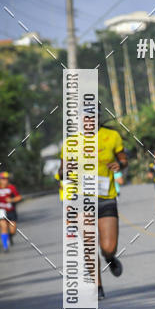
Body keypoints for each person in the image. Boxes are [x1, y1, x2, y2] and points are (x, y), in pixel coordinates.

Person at [59, 106, 128, 298]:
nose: (89, 121)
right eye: (85, 117)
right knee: (89, 243)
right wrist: (66, 170)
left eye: (93, 117)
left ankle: (110, 258)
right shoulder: (71, 142)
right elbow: (60, 173)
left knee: (108, 246)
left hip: (106, 197)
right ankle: (98, 286)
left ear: (98, 118)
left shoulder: (111, 136)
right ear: (80, 119)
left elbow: (123, 159)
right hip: (82, 200)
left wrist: (119, 164)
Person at [0, 171, 22, 251]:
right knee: (4, 227)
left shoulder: (12, 188)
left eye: (6, 179)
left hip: (11, 211)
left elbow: (19, 197)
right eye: (3, 179)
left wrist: (11, 199)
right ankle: (5, 246)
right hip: (1, 211)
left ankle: (10, 237)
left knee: (13, 230)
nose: (5, 181)